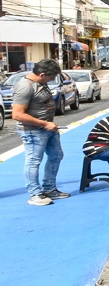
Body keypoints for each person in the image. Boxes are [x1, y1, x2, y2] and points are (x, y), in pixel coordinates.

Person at [12, 59, 69, 206]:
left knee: (56, 155)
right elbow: (17, 114)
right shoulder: (25, 87)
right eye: (51, 77)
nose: (52, 80)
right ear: (42, 74)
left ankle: (49, 189)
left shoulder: (41, 83)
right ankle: (35, 193)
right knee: (33, 161)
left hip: (48, 128)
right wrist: (44, 123)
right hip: (33, 131)